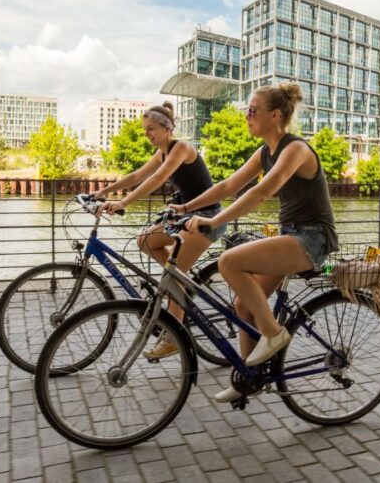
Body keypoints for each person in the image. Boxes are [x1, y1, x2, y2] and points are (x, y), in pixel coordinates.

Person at [172, 83, 338, 403]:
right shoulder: (265, 152)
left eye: (252, 111)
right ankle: (248, 378)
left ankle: (273, 334)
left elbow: (261, 193)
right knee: (243, 306)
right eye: (246, 111)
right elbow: (228, 185)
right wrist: (186, 208)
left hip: (313, 237)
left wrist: (213, 221)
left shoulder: (295, 149)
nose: (247, 116)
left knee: (229, 261)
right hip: (291, 234)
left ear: (274, 115)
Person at [93, 102, 226, 358]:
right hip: (186, 217)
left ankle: (172, 337)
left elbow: (157, 178)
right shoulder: (162, 153)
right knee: (145, 240)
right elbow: (137, 176)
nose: (147, 134)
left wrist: (122, 203)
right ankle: (179, 284)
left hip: (207, 218)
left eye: (151, 128)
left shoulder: (182, 148)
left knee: (173, 277)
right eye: (145, 129)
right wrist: (103, 192)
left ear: (167, 128)